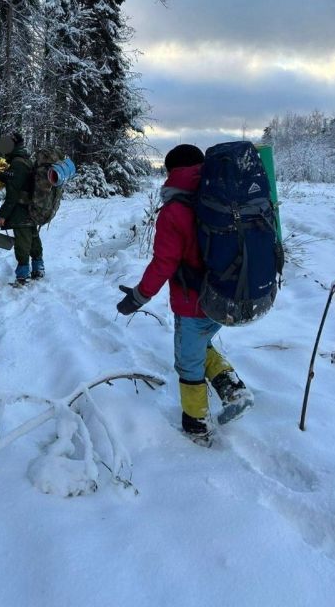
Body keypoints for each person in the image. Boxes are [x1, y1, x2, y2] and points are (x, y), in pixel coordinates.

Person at [116, 143, 253, 447]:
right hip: (228, 295)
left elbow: (164, 262)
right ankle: (234, 391)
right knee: (202, 343)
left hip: (194, 302)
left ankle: (197, 427)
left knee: (188, 362)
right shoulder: (218, 197)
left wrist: (138, 297)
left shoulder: (175, 211)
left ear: (171, 172)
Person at [0, 131, 44, 285]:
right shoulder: (25, 160)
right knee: (33, 238)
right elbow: (15, 178)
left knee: (22, 242)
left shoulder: (17, 163)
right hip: (32, 209)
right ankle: (38, 268)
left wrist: (3, 215)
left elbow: (13, 194)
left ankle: (22, 276)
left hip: (20, 210)